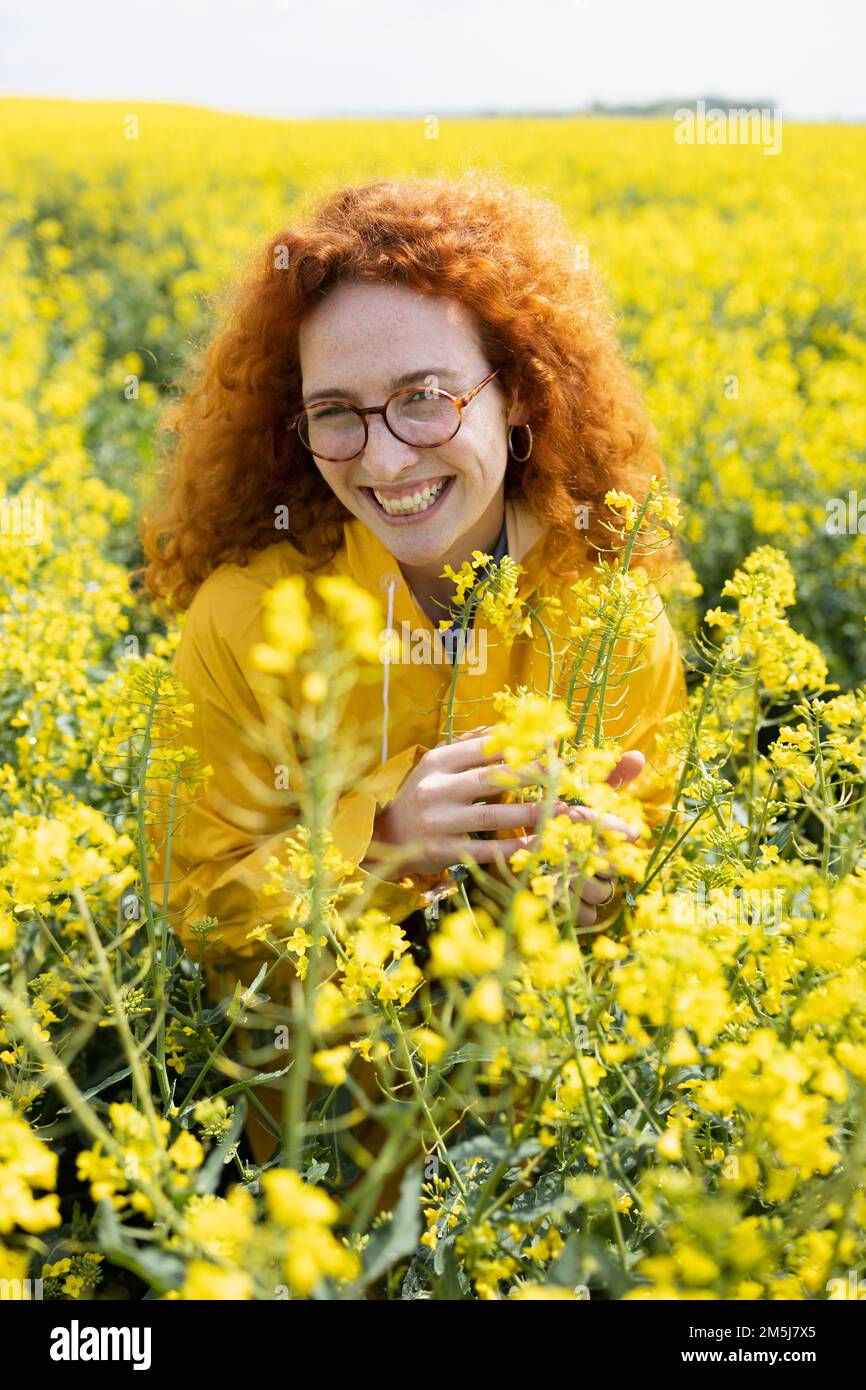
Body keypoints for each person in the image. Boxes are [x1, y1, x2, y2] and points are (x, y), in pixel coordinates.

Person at [141, 172, 686, 1196]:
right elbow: (196, 905)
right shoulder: (247, 618)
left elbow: (652, 917)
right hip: (325, 1174)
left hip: (541, 1181)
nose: (384, 455)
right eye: (334, 413)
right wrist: (381, 841)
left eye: (424, 399)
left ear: (516, 389)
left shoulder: (610, 625)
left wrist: (606, 898)